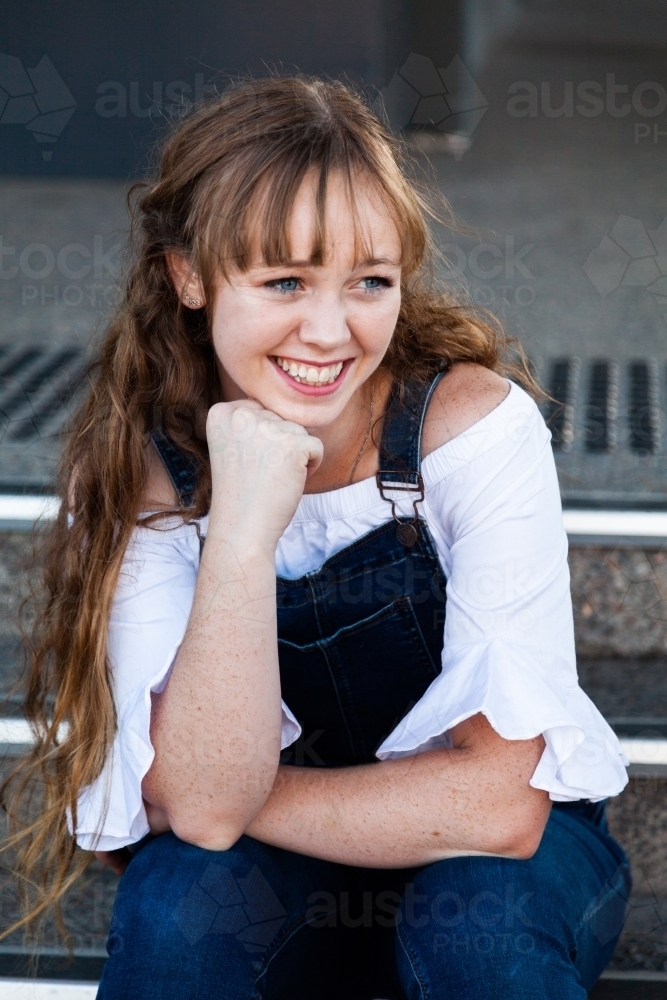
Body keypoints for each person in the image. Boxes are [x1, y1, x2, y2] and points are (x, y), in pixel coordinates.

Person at [3, 77, 630, 999]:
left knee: (479, 936)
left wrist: (233, 800)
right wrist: (243, 536)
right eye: (285, 281)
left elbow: (497, 808)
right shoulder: (138, 472)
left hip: (508, 868)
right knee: (180, 913)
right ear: (188, 275)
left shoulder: (473, 433)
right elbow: (204, 819)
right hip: (276, 878)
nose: (330, 331)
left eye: (368, 282)